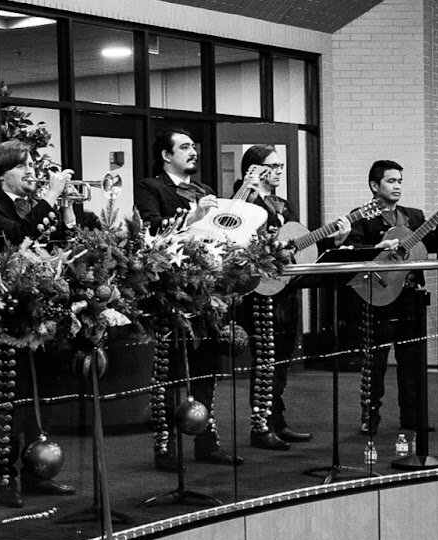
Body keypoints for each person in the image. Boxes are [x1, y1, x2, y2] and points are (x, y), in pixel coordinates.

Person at [0, 140, 79, 507]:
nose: (32, 171)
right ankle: (5, 480)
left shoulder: (32, 206)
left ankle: (38, 474)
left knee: (41, 399)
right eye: (24, 166)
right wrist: (50, 195)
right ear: (3, 174)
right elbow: (18, 237)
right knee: (10, 404)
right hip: (8, 319)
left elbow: (61, 245)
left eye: (33, 163)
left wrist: (64, 209)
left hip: (41, 316)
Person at [134, 128, 241, 470]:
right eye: (184, 147)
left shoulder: (205, 190)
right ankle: (165, 448)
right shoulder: (151, 187)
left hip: (206, 292)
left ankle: (207, 443)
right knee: (170, 372)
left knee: (207, 369)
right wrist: (192, 216)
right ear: (166, 155)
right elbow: (150, 231)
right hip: (170, 293)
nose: (193, 151)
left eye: (193, 146)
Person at [235, 144, 345, 451]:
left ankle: (278, 421)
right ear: (255, 169)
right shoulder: (244, 198)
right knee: (265, 362)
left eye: (281, 166)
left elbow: (298, 245)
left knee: (281, 361)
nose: (280, 171)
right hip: (261, 290)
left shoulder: (284, 204)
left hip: (286, 289)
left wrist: (334, 239)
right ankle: (260, 427)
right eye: (273, 166)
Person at [348, 159, 438, 436]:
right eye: (391, 181)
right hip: (377, 293)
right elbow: (354, 250)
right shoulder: (362, 216)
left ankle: (413, 416)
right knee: (376, 361)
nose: (397, 186)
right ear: (375, 185)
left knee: (413, 360)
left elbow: (431, 244)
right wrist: (378, 247)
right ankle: (370, 417)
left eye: (399, 181)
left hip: (410, 295)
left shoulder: (415, 216)